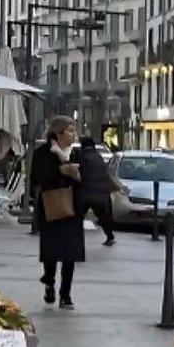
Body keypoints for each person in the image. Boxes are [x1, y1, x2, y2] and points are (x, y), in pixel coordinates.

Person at [30, 117, 84, 309]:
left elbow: (86, 179)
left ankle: (65, 294)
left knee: (70, 253)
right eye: (69, 130)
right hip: (51, 206)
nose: (73, 134)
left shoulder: (77, 154)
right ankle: (49, 283)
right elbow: (36, 178)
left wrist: (77, 175)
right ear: (58, 133)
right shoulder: (43, 153)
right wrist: (60, 171)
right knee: (51, 251)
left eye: (74, 130)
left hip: (72, 208)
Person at [74, 136, 118, 246]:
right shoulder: (97, 156)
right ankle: (110, 236)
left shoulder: (81, 156)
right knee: (103, 216)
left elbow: (78, 172)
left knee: (78, 217)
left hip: (85, 192)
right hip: (100, 192)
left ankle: (74, 239)